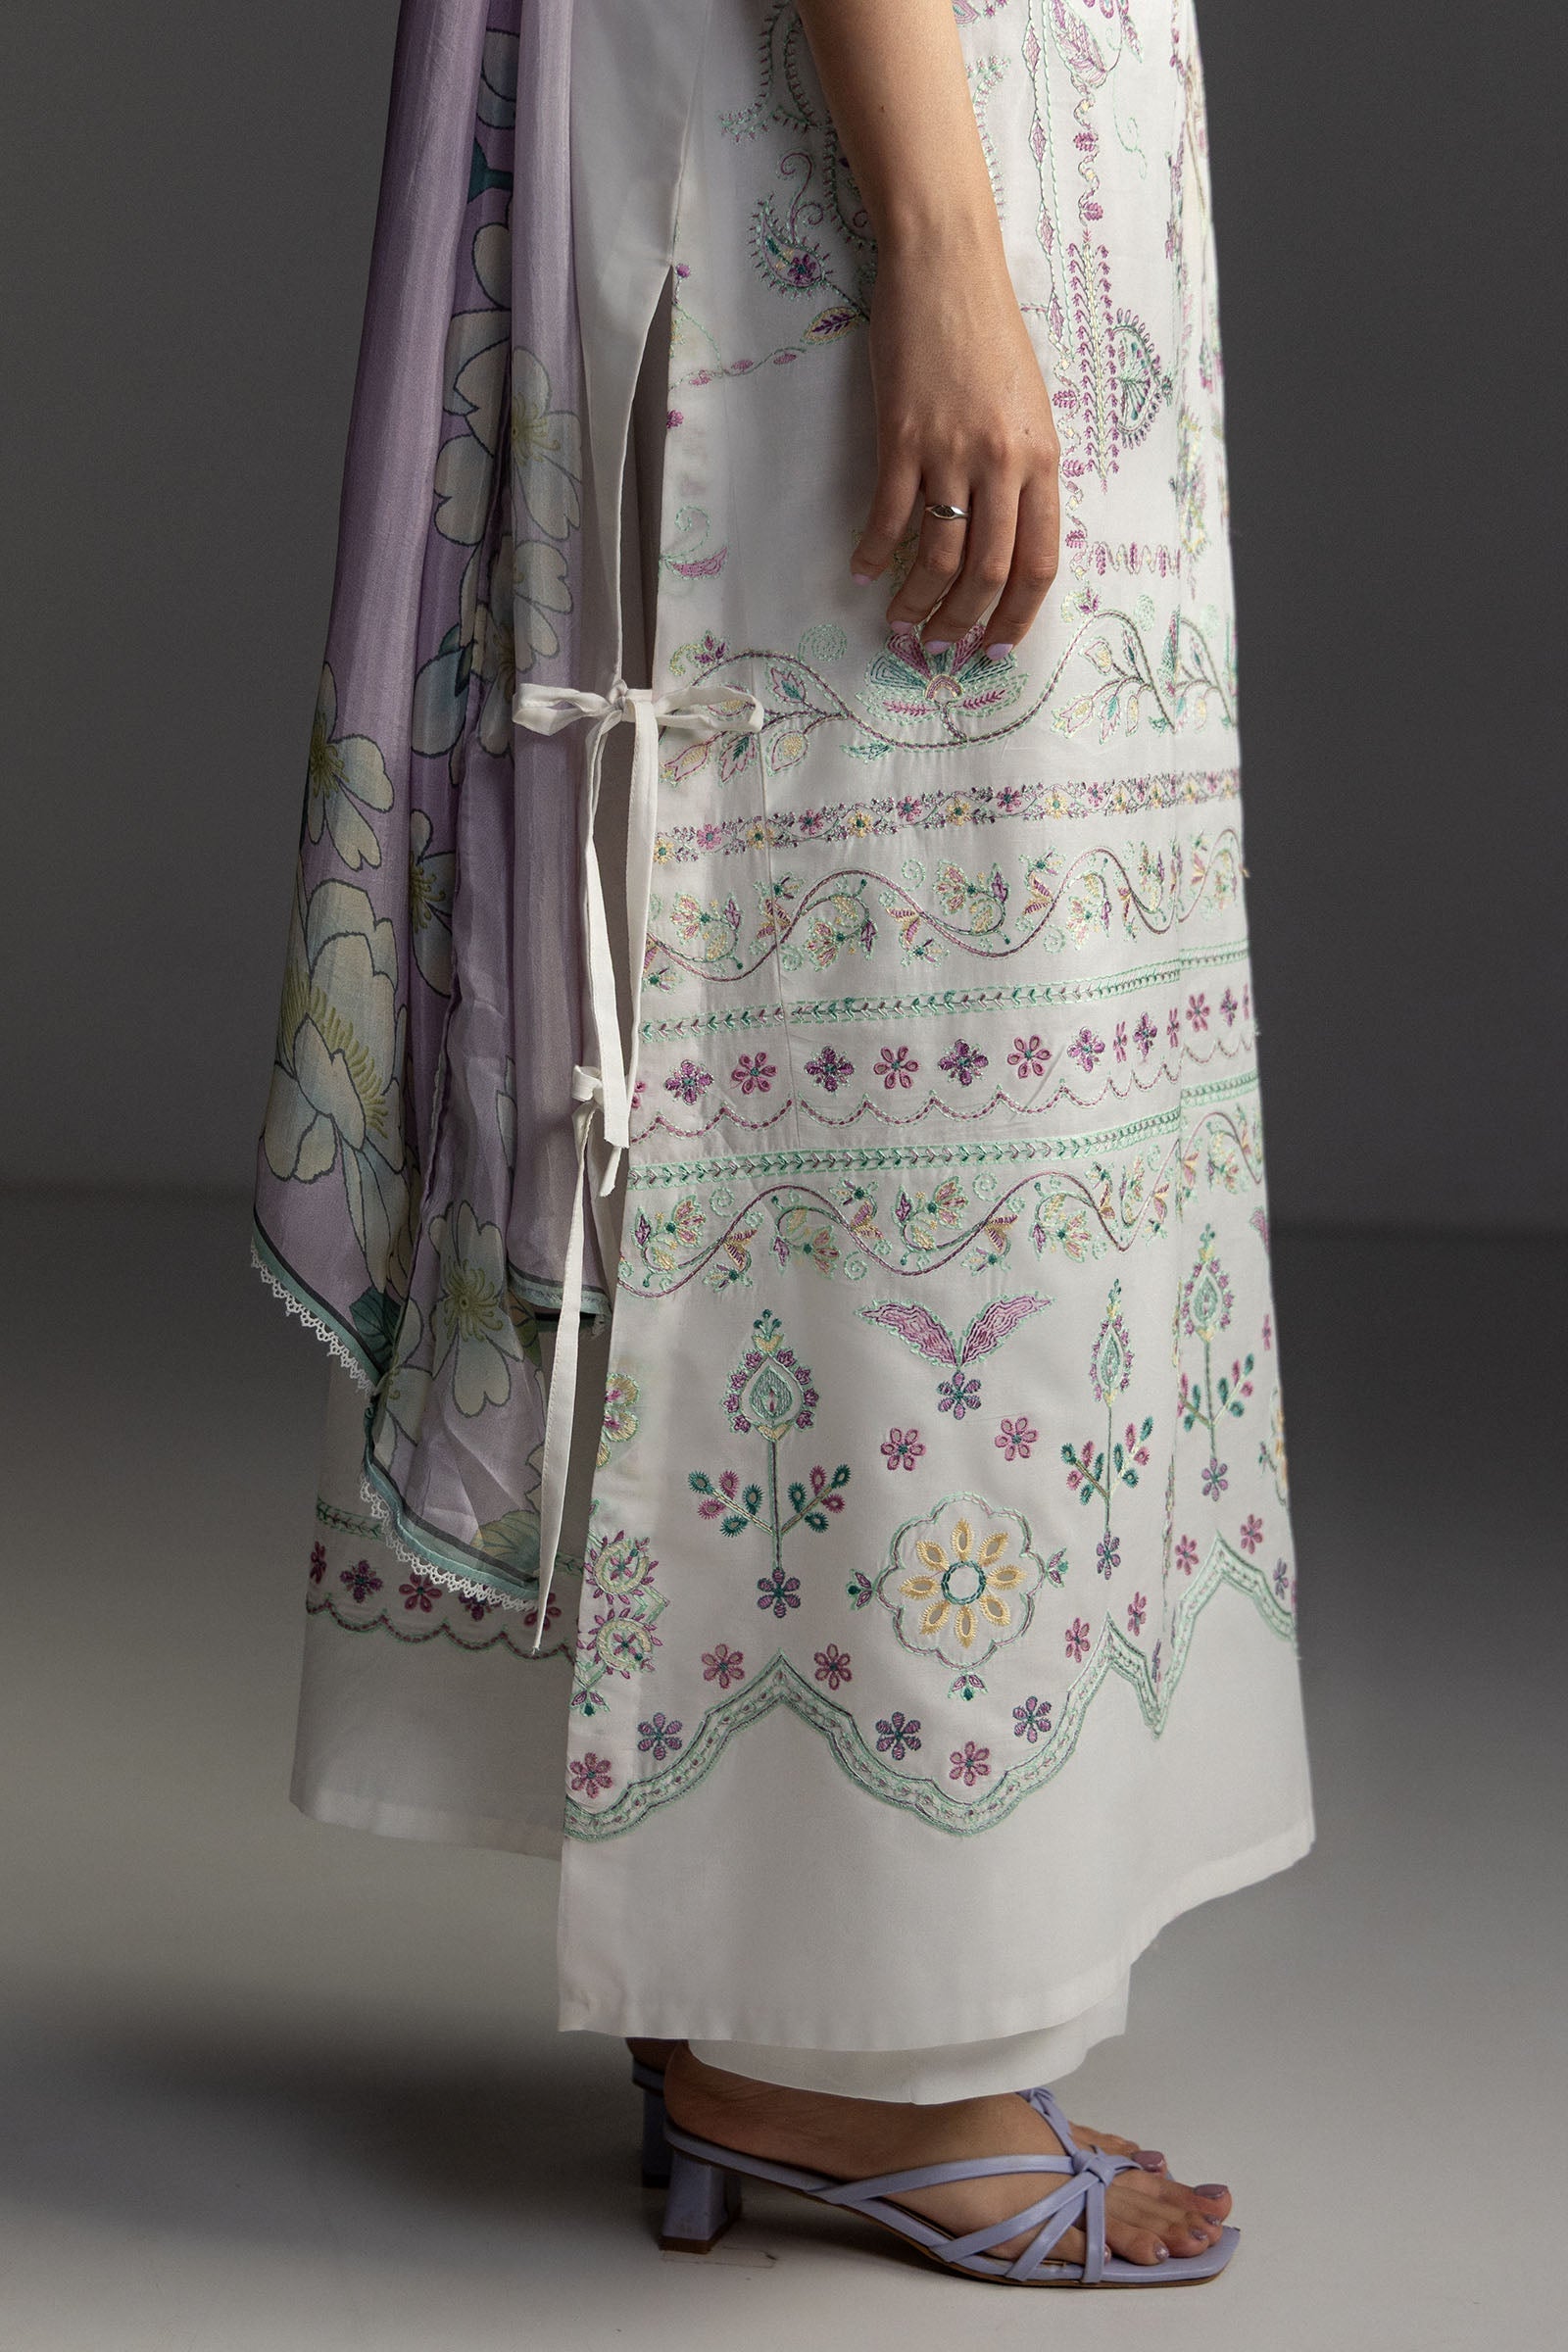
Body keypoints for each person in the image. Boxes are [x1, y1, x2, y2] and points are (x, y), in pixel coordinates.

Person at [257, 0, 1313, 2286]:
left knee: (934, 1031)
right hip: (847, 153)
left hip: (948, 127)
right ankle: (846, 2049)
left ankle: (789, 1991)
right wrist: (938, 241)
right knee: (874, 1031)